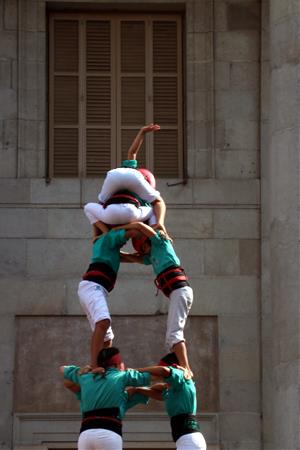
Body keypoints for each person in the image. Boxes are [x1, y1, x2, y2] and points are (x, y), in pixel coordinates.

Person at [115, 221, 193, 373]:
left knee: (174, 334)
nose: (143, 251)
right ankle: (180, 365)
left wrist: (115, 230)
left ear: (146, 241)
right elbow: (127, 258)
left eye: (143, 247)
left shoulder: (160, 242)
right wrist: (109, 247)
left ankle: (186, 368)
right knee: (171, 337)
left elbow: (138, 225)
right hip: (178, 293)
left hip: (181, 291)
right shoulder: (151, 256)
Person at [59, 347, 151, 450]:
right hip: (109, 434)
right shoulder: (122, 376)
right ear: (117, 364)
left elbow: (62, 369)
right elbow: (155, 377)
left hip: (85, 436)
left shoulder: (86, 377)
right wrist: (138, 372)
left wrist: (83, 370)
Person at [84, 124, 166, 236]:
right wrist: (159, 222)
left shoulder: (132, 170)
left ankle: (100, 234)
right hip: (131, 187)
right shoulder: (145, 199)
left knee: (101, 202)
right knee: (157, 203)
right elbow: (155, 207)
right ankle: (158, 228)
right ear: (148, 184)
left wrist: (142, 132)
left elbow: (132, 152)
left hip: (114, 174)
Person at [78, 223, 139, 368]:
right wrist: (153, 228)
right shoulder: (109, 238)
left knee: (107, 339)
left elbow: (136, 259)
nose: (125, 242)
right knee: (103, 322)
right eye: (123, 238)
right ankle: (94, 367)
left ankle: (103, 368)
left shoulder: (110, 248)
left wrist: (150, 254)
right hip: (93, 286)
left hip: (96, 289)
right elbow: (135, 231)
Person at [132, 352, 207, 450]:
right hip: (188, 440)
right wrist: (139, 389)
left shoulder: (182, 375)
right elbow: (160, 395)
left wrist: (135, 371)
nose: (162, 379)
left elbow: (163, 371)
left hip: (189, 440)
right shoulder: (175, 389)